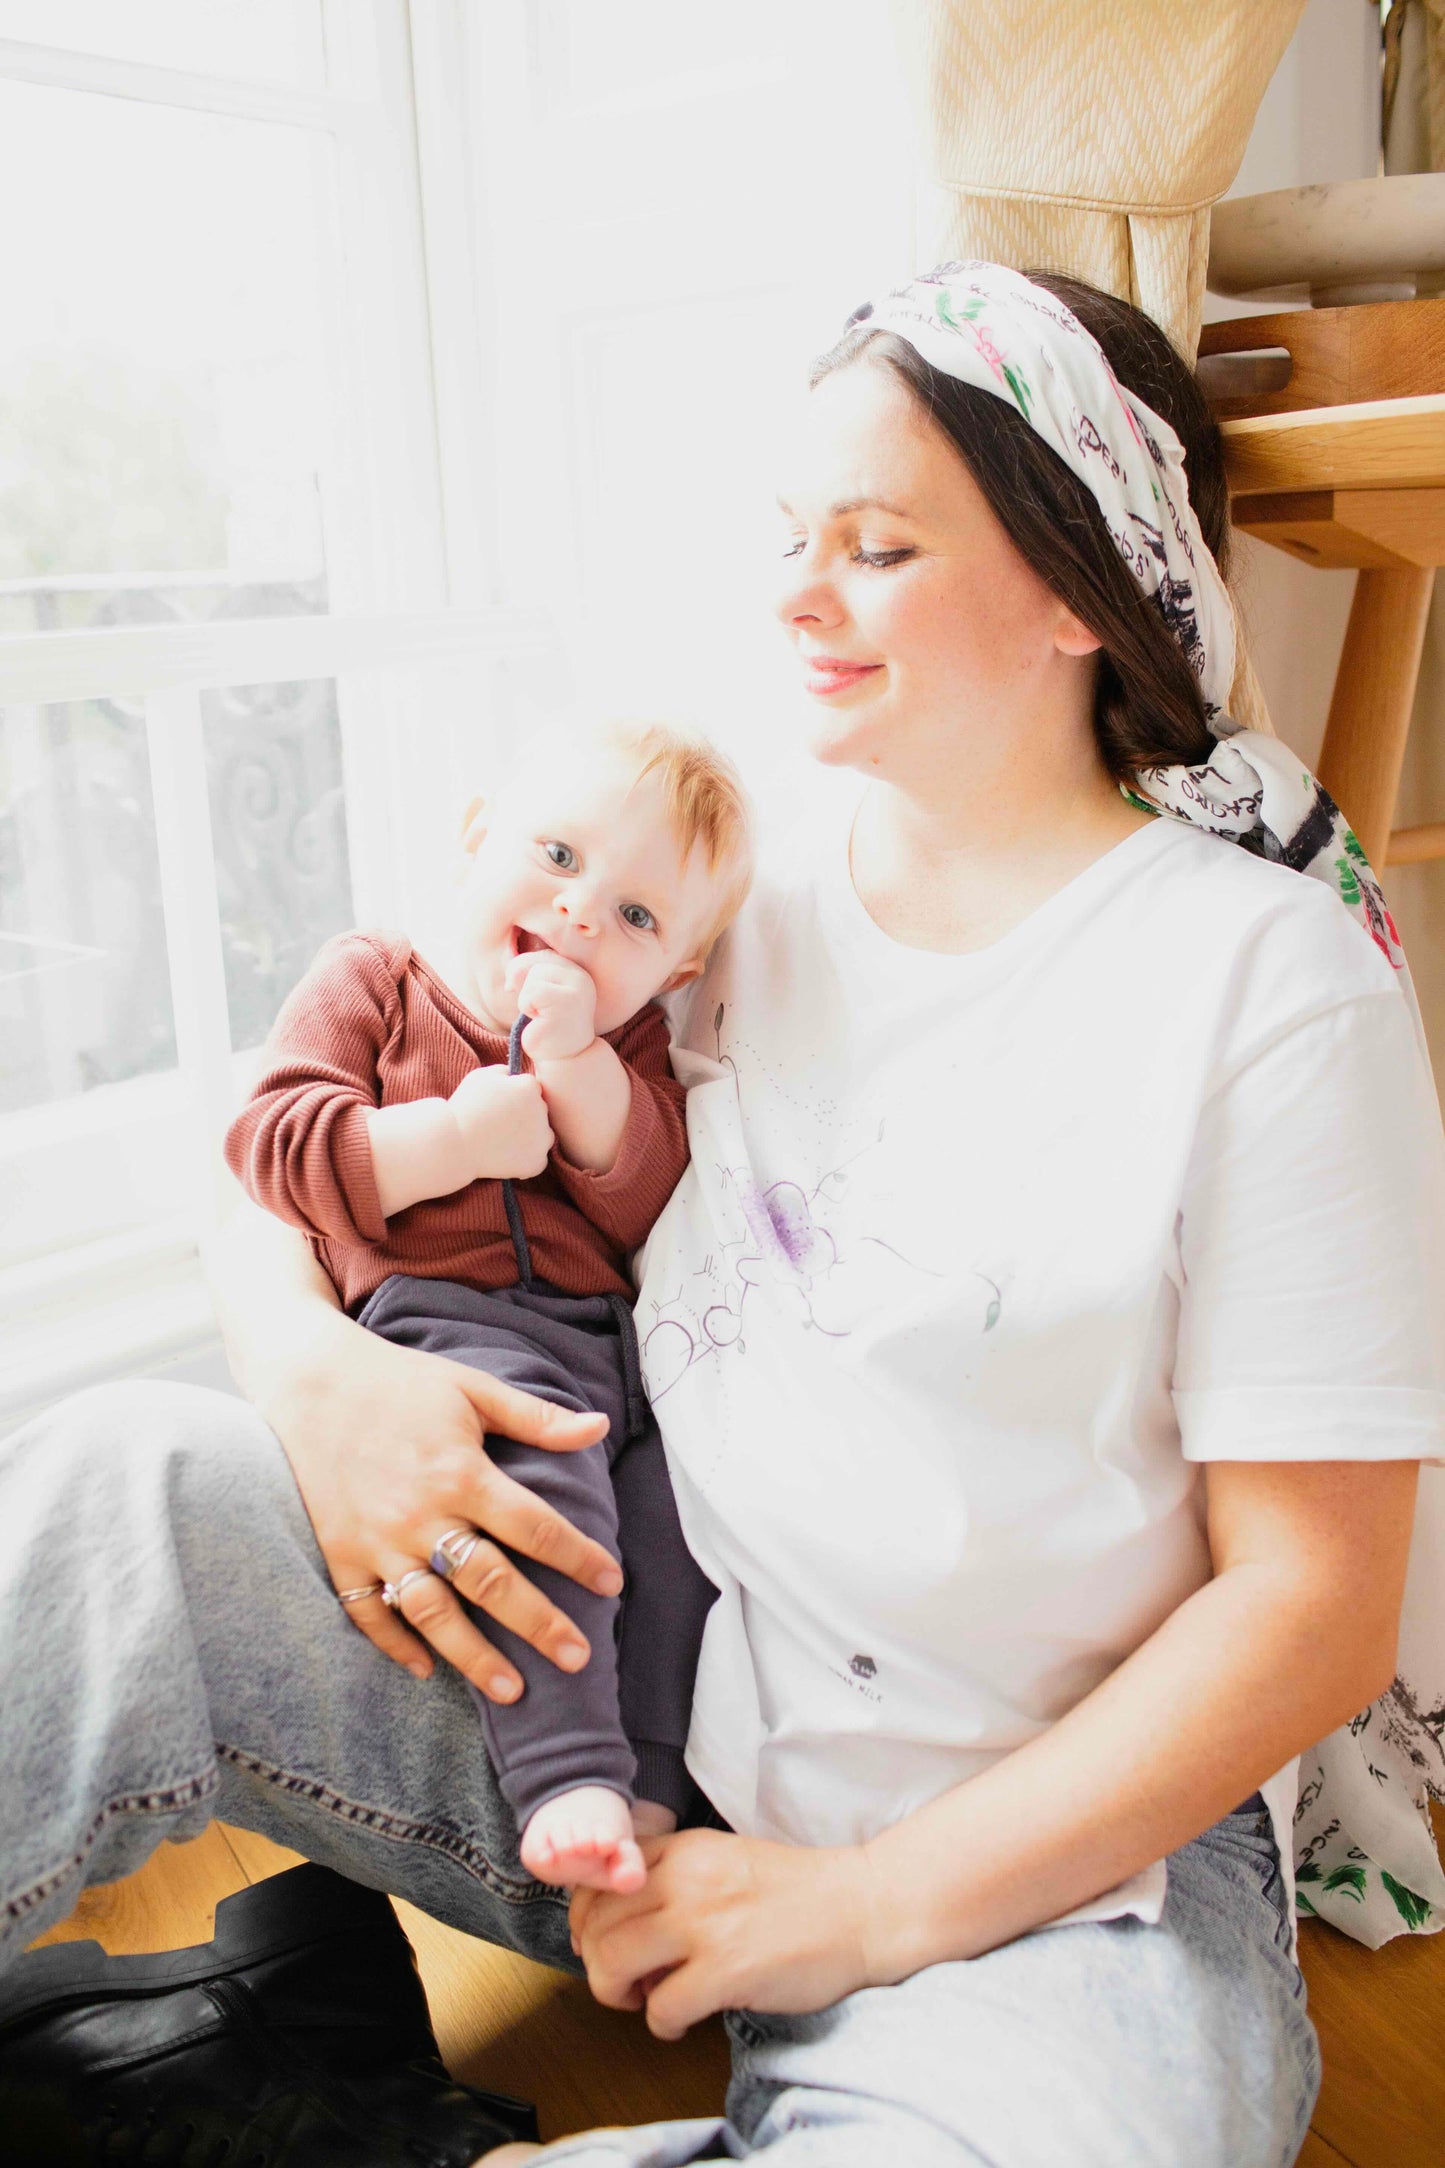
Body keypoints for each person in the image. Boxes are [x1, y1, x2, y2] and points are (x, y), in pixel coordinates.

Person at [1, 263, 1442, 2168]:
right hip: (625, 1717)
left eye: (879, 546)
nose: (795, 593)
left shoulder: (1265, 990)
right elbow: (282, 1140)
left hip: (1048, 1865)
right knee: (122, 1483)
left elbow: (1314, 1605)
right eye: (791, 535)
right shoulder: (703, 909)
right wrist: (312, 1378)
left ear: (1084, 591)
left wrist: (863, 1904)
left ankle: (324, 2108)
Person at [224, 720, 750, 1896]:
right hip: (447, 1321)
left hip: (615, 1354)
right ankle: (565, 1773)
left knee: (683, 1526)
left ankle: (655, 1786)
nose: (578, 914)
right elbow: (268, 1141)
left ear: (672, 971)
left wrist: (580, 1070)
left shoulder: (631, 1041)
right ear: (475, 838)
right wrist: (444, 1140)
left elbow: (646, 1187)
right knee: (539, 1496)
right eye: (557, 857)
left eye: (634, 916)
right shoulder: (377, 976)